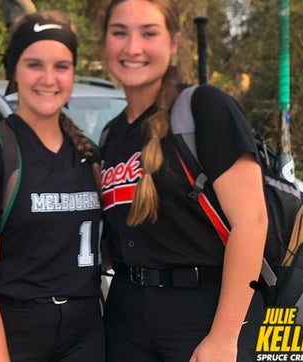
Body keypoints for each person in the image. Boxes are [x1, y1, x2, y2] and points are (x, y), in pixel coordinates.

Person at [99, 1, 268, 361]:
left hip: (205, 309)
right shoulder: (111, 135)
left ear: (174, 43)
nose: (132, 47)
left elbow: (251, 223)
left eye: (149, 33)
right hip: (126, 312)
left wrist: (223, 338)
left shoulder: (204, 107)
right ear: (105, 45)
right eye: (119, 33)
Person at [0, 11, 105, 362]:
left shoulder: (88, 153)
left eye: (61, 66)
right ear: (13, 70)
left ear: (73, 73)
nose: (49, 79)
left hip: (86, 332)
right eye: (34, 64)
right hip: (12, 330)